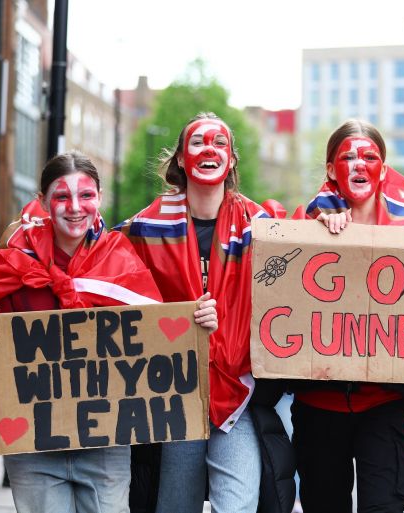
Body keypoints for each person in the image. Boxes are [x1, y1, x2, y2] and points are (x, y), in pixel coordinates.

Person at [0, 151, 205, 512]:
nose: (75, 207)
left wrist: (200, 322)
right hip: (34, 445)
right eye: (62, 196)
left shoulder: (120, 258)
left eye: (86, 195)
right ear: (43, 202)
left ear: (99, 198)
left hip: (105, 445)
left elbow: (156, 340)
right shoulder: (10, 260)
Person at [118, 112, 293, 513]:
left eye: (218, 143)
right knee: (175, 505)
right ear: (180, 158)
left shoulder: (263, 228)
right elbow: (100, 269)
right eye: (197, 143)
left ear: (231, 160)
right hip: (176, 393)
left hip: (238, 394)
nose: (208, 150)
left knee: (238, 505)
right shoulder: (145, 227)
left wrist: (330, 218)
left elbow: (302, 272)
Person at [291, 119, 404, 513]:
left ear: (384, 170)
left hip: (384, 406)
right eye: (347, 157)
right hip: (320, 405)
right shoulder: (305, 226)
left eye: (369, 157)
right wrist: (314, 233)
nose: (358, 164)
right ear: (330, 170)